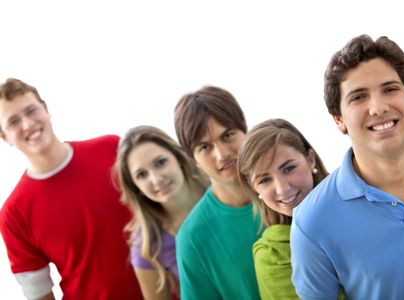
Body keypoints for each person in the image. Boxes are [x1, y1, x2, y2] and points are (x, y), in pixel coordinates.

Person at [290, 34, 404, 299]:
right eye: (359, 97)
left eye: (390, 89)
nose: (378, 107)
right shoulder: (312, 223)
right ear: (339, 119)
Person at [0, 78, 143, 300]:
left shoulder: (112, 149)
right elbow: (39, 294)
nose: (27, 125)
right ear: (4, 136)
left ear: (46, 110)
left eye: (31, 111)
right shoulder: (13, 214)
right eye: (14, 122)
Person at [173, 85, 262, 299]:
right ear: (193, 159)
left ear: (245, 131)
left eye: (228, 135)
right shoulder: (192, 238)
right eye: (204, 147)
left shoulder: (289, 191)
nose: (222, 154)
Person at [237, 118, 329, 300]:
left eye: (288, 169)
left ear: (310, 160)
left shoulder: (360, 204)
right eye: (264, 180)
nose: (282, 188)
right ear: (254, 189)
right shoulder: (271, 256)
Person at [114, 125, 209, 300]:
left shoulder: (219, 188)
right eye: (142, 175)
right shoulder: (148, 243)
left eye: (160, 163)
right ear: (135, 186)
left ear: (178, 157)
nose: (156, 179)